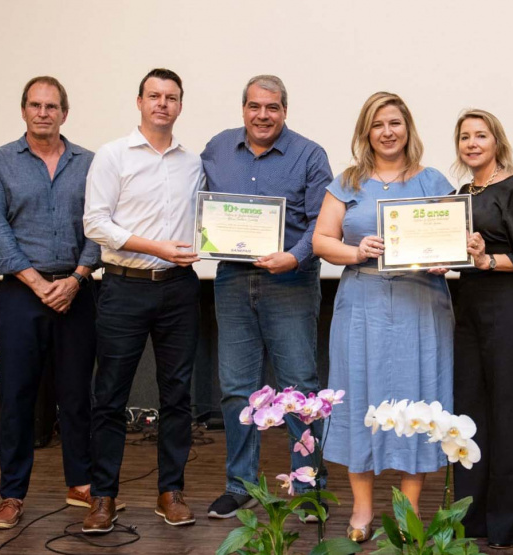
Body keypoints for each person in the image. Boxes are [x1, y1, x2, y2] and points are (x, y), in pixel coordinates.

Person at [313, 92, 454, 543]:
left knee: (421, 400)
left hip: (422, 304)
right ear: (366, 132)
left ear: (408, 129)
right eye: (378, 124)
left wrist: (445, 258)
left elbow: (457, 239)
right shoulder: (347, 182)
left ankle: (409, 509)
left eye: (395, 123)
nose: (387, 132)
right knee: (360, 400)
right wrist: (354, 251)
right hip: (362, 303)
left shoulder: (433, 181)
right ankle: (361, 509)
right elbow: (320, 241)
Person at [200, 74, 333, 520]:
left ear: (284, 111)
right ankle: (239, 484)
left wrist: (293, 258)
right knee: (237, 388)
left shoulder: (310, 155)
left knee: (300, 387)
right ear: (243, 109)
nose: (263, 115)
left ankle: (308, 486)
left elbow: (322, 225)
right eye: (255, 106)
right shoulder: (217, 148)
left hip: (290, 282)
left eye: (272, 107)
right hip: (233, 280)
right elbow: (203, 206)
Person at [83, 68, 205, 532]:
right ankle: (103, 497)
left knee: (177, 395)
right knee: (110, 395)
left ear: (179, 105)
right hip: (123, 286)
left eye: (171, 97)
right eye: (154, 96)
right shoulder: (113, 156)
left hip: (178, 287)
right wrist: (154, 247)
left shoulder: (192, 163)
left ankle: (170, 491)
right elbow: (95, 224)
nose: (162, 104)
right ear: (139, 102)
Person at [0, 76, 101, 529]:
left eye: (52, 106)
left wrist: (74, 280)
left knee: (76, 396)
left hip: (77, 291)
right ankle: (11, 495)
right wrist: (38, 283)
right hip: (21, 295)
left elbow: (100, 227)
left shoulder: (90, 163)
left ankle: (81, 484)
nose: (43, 112)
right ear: (24, 110)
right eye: (35, 105)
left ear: (65, 113)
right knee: (17, 397)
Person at [450, 109, 513, 549]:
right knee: (471, 415)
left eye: (480, 135)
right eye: (465, 137)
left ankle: (510, 525)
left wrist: (486, 258)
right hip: (467, 309)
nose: (472, 143)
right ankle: (473, 521)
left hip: (507, 308)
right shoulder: (460, 193)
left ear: (496, 141)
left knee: (508, 414)